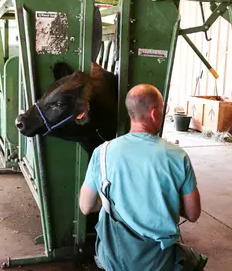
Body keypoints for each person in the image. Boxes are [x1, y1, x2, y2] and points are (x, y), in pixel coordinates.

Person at [79, 84, 207, 271]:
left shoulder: (102, 152)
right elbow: (193, 214)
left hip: (113, 259)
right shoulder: (177, 156)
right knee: (195, 260)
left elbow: (85, 206)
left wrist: (112, 202)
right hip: (158, 262)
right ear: (154, 113)